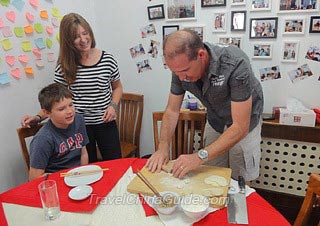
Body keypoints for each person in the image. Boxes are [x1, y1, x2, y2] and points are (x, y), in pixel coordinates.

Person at [146, 29, 264, 182]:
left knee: (239, 178)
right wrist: (162, 148)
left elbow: (240, 127)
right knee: (211, 174)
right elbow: (172, 110)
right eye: (176, 72)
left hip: (245, 122)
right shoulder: (180, 68)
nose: (181, 77)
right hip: (216, 119)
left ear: (201, 55)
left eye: (184, 71)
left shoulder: (236, 63)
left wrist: (198, 156)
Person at [21, 13, 123, 163]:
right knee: (88, 168)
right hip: (78, 127)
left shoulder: (107, 59)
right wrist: (38, 117)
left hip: (105, 123)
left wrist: (113, 106)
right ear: (68, 41)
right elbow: (56, 99)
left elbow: (118, 87)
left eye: (85, 33)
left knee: (115, 164)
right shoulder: (64, 66)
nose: (83, 40)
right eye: (76, 37)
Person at [29, 83, 89, 180]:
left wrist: (83, 176)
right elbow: (34, 177)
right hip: (56, 180)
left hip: (77, 176)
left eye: (71, 105)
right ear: (47, 113)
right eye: (61, 109)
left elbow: (83, 153)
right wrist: (67, 178)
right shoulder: (43, 139)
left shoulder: (78, 120)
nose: (69, 111)